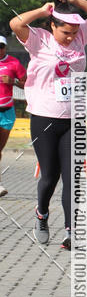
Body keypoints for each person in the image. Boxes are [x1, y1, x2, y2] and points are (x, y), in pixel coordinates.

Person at [9, 0, 87, 248]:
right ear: (52, 25)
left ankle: (71, 231)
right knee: (50, 176)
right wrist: (43, 10)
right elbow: (15, 23)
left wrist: (76, 1)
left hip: (75, 118)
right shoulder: (38, 39)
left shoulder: (81, 36)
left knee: (73, 177)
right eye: (65, 32)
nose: (70, 37)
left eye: (74, 32)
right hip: (45, 117)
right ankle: (41, 213)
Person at [0, 34, 27, 197]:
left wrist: (13, 81)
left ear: (5, 47)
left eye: (1, 46)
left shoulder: (13, 63)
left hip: (6, 111)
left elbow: (27, 83)